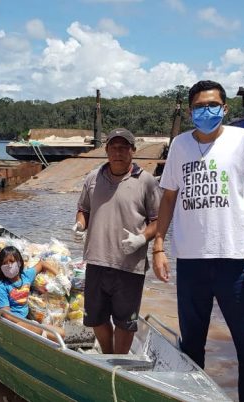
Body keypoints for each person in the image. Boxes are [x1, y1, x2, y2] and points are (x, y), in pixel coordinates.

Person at [152, 80, 244, 402]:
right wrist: (159, 246)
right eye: (199, 107)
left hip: (237, 260)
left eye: (212, 105)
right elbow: (168, 198)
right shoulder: (180, 145)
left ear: (225, 107)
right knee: (191, 348)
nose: (206, 111)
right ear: (190, 111)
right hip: (191, 261)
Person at [73, 127, 161, 354]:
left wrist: (142, 238)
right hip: (96, 260)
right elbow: (84, 209)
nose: (118, 152)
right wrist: (80, 225)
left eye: (124, 147)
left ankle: (119, 361)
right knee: (95, 318)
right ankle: (108, 354)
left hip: (129, 265)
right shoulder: (93, 178)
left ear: (133, 150)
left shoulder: (146, 181)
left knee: (125, 321)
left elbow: (158, 221)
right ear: (107, 150)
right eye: (113, 147)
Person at [0, 246, 64, 341]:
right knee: (39, 330)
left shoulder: (25, 276)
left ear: (19, 263)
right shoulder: (1, 287)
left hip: (27, 322)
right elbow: (7, 315)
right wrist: (30, 324)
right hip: (11, 324)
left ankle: (40, 335)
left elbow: (42, 264)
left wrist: (60, 276)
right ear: (1, 267)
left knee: (61, 333)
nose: (8, 265)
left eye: (12, 261)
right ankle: (40, 336)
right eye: (4, 263)